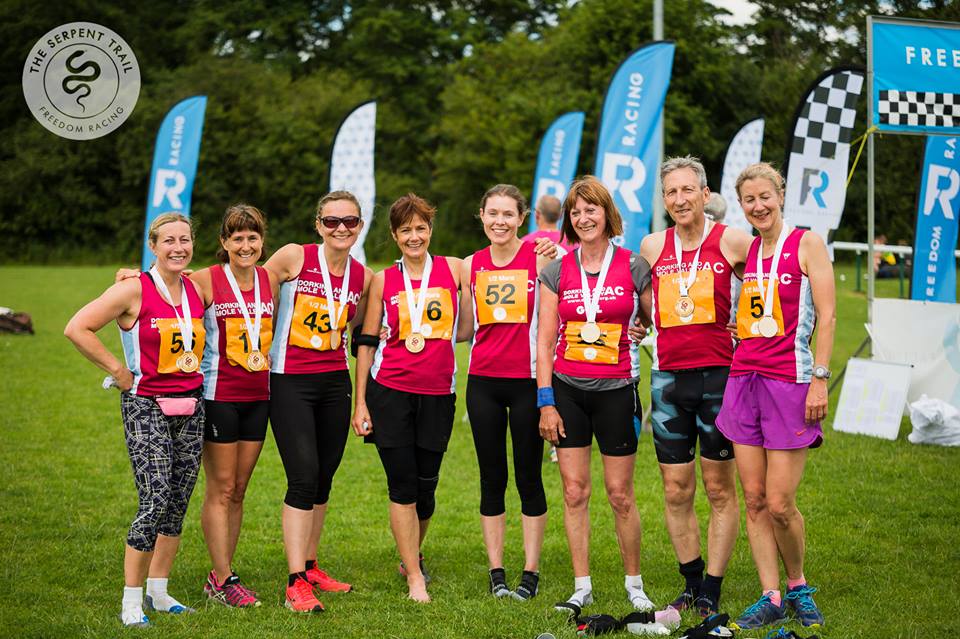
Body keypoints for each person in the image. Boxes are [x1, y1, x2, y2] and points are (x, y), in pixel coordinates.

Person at [65, 213, 206, 627]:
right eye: (169, 241)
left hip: (192, 407)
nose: (178, 247)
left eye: (185, 240)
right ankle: (131, 600)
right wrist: (119, 370)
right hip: (146, 405)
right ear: (153, 245)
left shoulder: (197, 288)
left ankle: (159, 592)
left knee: (178, 502)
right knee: (154, 499)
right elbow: (78, 327)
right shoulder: (133, 290)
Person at [717, 162, 834, 630]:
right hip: (744, 379)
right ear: (741, 204)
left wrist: (820, 379)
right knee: (754, 497)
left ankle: (798, 585)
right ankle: (770, 594)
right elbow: (759, 311)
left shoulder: (806, 243)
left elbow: (826, 318)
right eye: (749, 200)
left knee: (781, 502)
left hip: (791, 382)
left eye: (765, 197)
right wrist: (740, 328)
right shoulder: (749, 253)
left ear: (780, 195)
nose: (758, 206)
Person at [537, 176, 658, 613]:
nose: (583, 217)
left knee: (620, 493)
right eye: (576, 211)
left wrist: (642, 328)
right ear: (569, 221)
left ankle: (634, 584)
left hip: (617, 390)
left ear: (607, 214)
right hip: (568, 391)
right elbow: (545, 340)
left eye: (591, 209)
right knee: (574, 491)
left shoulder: (633, 265)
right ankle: (581, 585)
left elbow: (656, 320)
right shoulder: (556, 270)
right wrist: (545, 400)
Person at [638, 156, 750, 617]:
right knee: (676, 490)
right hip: (668, 382)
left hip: (720, 380)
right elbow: (639, 303)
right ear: (664, 200)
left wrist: (751, 324)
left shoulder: (733, 241)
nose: (680, 199)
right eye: (671, 192)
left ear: (705, 195)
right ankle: (690, 581)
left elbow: (778, 277)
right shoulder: (651, 245)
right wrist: (635, 325)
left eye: (688, 190)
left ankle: (713, 588)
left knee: (720, 489)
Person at [264, 191, 373, 612]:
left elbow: (361, 330)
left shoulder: (362, 276)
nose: (341, 228)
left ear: (359, 226)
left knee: (324, 477)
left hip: (334, 383)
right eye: (332, 222)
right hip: (289, 379)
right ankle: (294, 582)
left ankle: (310, 564)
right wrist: (147, 276)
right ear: (318, 225)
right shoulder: (295, 256)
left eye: (349, 221)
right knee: (303, 476)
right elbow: (244, 282)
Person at [352, 193, 462, 603]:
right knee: (402, 485)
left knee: (426, 487)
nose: (414, 237)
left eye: (420, 228)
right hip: (390, 392)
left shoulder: (454, 269)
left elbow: (500, 264)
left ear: (430, 230)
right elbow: (364, 341)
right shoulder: (383, 280)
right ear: (395, 236)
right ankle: (415, 575)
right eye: (405, 230)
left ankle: (410, 554)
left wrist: (547, 246)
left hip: (438, 394)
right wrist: (360, 402)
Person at [457, 184, 553, 601]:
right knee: (491, 477)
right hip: (483, 383)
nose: (499, 221)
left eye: (508, 214)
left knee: (529, 476)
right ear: (481, 215)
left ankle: (530, 570)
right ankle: (496, 570)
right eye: (492, 213)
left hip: (528, 382)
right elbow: (462, 328)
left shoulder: (542, 260)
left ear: (522, 218)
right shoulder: (468, 265)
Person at [194, 204, 277, 607]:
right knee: (222, 488)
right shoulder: (207, 280)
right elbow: (163, 288)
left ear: (262, 241)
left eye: (252, 237)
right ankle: (223, 578)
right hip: (219, 396)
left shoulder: (269, 279)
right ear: (224, 243)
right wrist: (130, 278)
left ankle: (223, 570)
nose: (246, 245)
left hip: (258, 396)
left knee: (240, 490)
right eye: (237, 238)